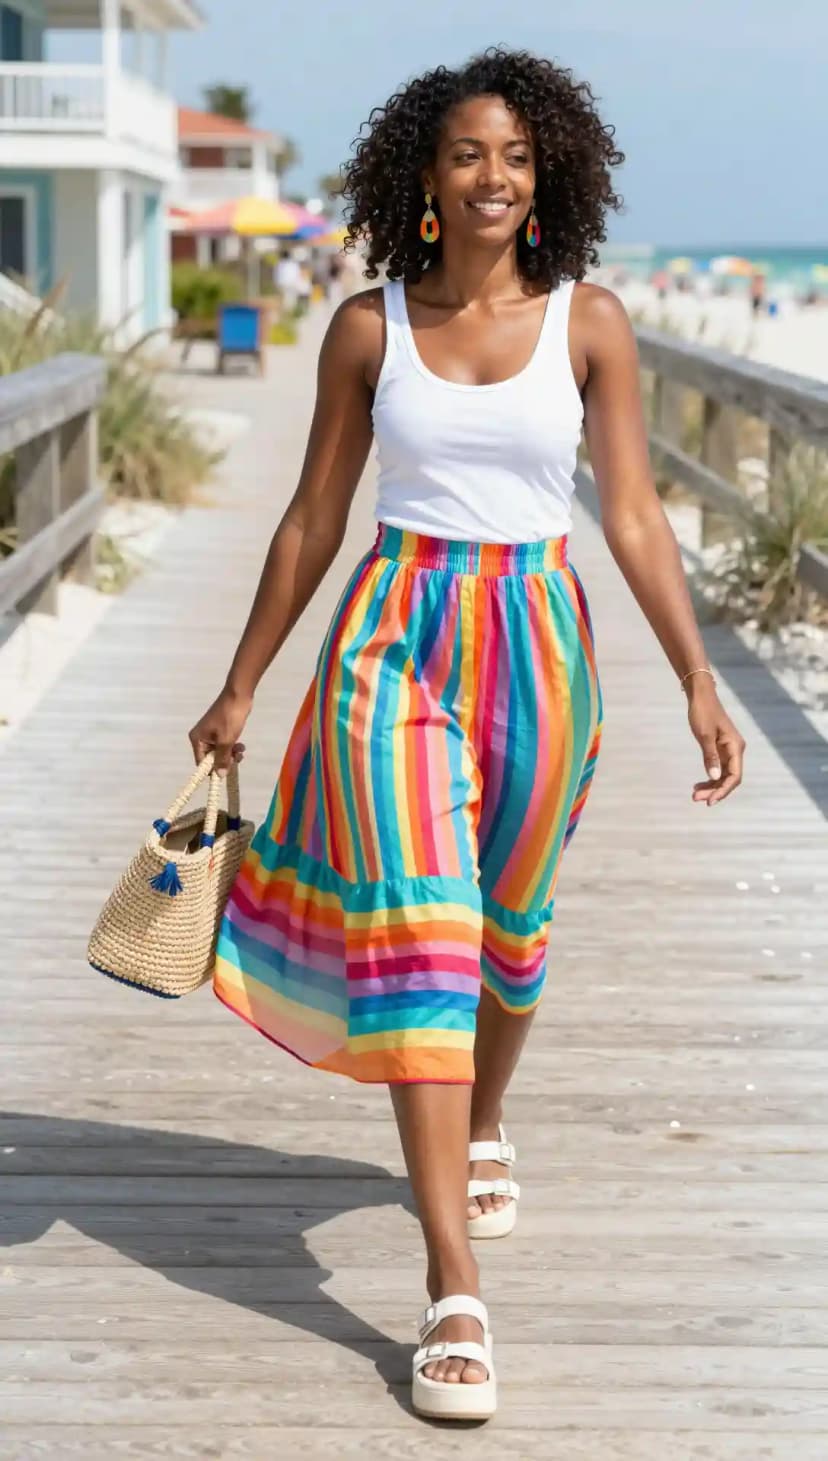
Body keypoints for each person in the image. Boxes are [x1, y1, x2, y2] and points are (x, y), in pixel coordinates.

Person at [189, 46, 746, 1423]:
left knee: (510, 931)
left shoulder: (593, 323)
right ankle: (451, 1284)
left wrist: (695, 675)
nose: (491, 176)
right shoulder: (368, 329)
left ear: (542, 169)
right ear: (423, 181)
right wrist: (244, 680)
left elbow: (628, 515)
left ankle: (484, 1119)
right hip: (392, 642)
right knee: (422, 938)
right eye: (464, 156)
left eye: (512, 154)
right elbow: (315, 518)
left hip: (540, 643)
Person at [273, 247, 301, 314]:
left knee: (283, 300)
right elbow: (297, 274)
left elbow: (276, 274)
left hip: (281, 283)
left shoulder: (279, 263)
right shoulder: (293, 264)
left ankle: (284, 313)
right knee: (290, 300)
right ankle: (289, 313)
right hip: (291, 283)